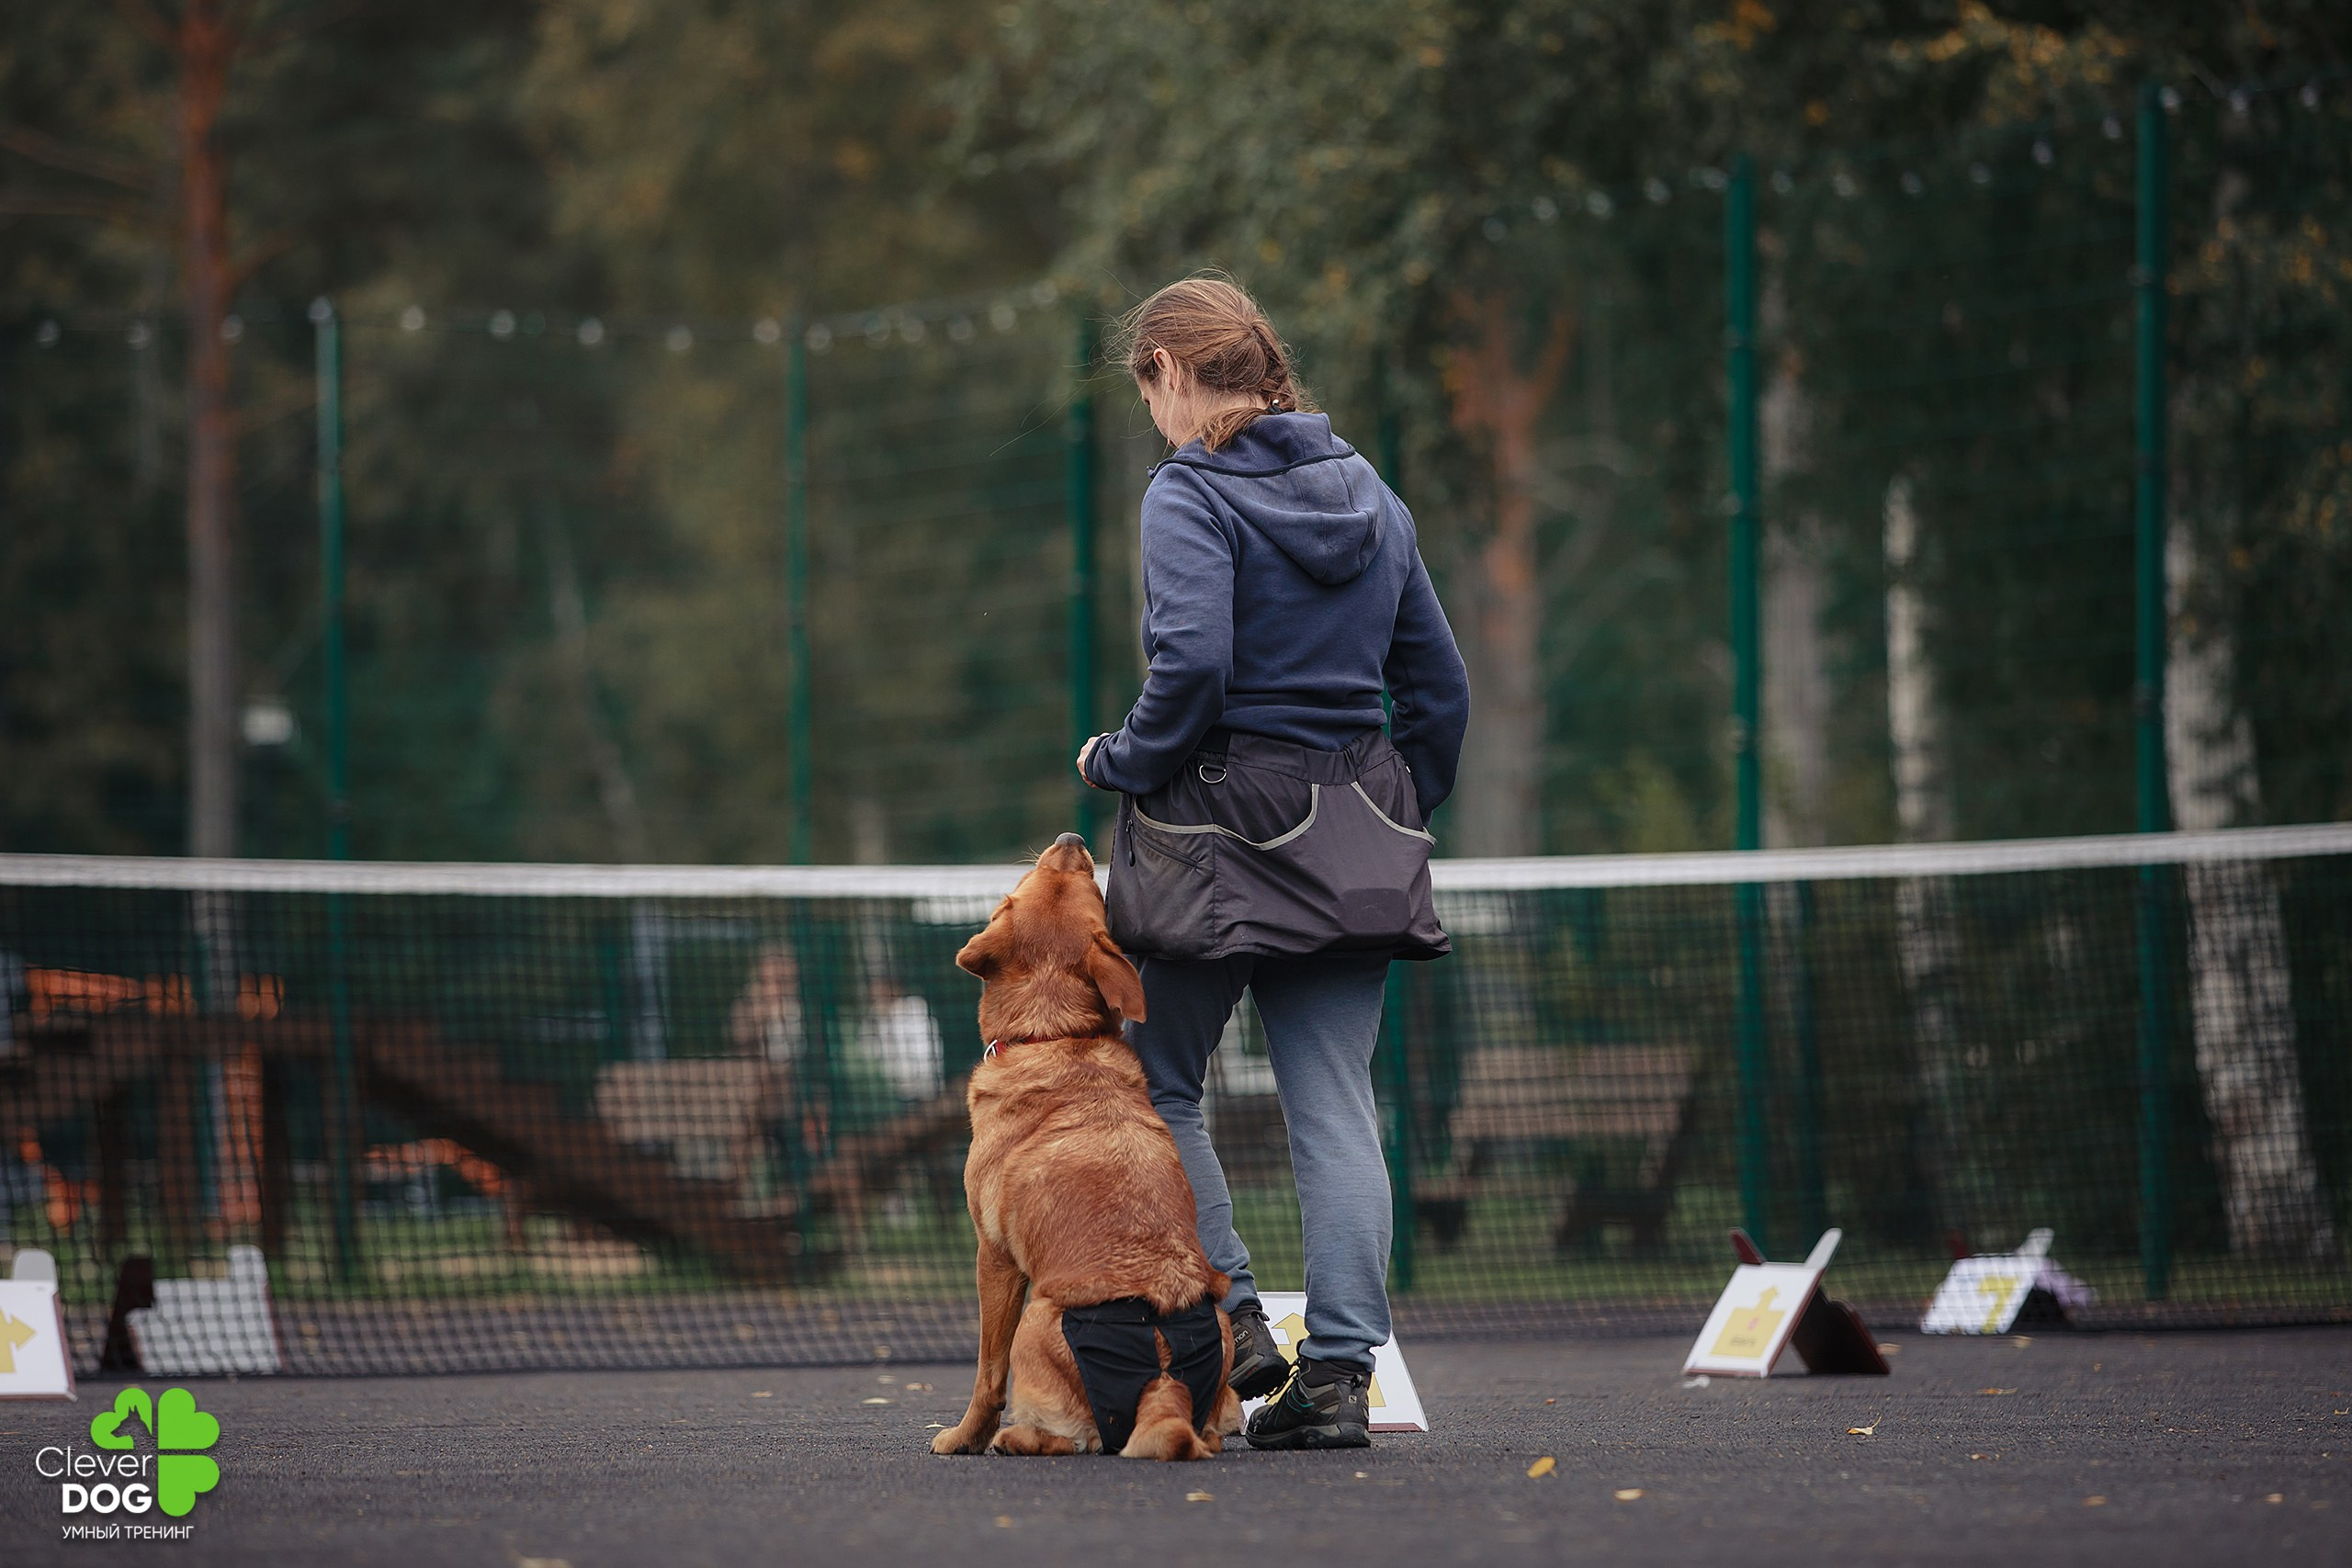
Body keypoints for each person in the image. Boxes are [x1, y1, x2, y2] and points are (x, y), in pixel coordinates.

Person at [1077, 275, 1469, 1450]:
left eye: (1147, 390)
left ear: (1168, 371)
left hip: (1209, 837)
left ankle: (1233, 1313)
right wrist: (1392, 807)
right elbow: (1438, 688)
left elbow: (1192, 665)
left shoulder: (1187, 490)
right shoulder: (1371, 492)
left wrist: (1118, 759)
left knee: (1155, 1082)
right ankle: (1337, 1381)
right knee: (1336, 1107)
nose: (1153, 416)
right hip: (1355, 834)